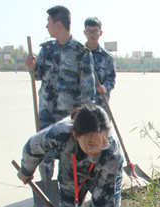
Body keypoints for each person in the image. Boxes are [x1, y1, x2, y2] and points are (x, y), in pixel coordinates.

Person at [25, 5, 96, 181]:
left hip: (67, 117)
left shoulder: (81, 53)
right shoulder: (46, 50)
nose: (46, 27)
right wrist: (31, 67)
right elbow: (38, 75)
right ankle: (47, 189)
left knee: (67, 156)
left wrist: (86, 119)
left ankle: (66, 191)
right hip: (46, 113)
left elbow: (88, 90)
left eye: (48, 22)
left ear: (58, 24)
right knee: (44, 154)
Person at [84, 17, 116, 105]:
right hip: (83, 102)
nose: (92, 34)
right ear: (84, 33)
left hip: (101, 102)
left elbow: (111, 79)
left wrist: (105, 87)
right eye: (89, 31)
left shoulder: (107, 57)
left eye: (95, 31)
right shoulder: (78, 54)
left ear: (100, 33)